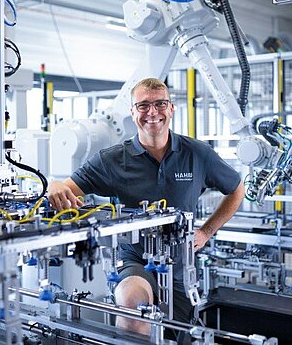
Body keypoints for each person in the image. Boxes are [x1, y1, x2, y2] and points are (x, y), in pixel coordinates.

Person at [48, 77, 244, 337]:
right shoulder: (112, 160)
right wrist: (53, 186)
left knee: (181, 335)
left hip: (180, 267)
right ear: (132, 112)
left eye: (160, 104)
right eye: (143, 105)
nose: (152, 112)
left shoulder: (197, 154)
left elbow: (236, 189)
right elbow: (66, 189)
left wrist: (206, 232)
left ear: (171, 108)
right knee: (132, 307)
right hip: (134, 261)